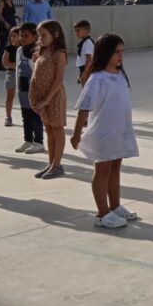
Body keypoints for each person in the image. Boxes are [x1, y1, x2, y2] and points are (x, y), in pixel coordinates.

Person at [71, 34, 140, 229]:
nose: (120, 56)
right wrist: (76, 133)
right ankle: (102, 213)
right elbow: (85, 107)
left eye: (122, 52)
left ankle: (115, 206)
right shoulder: (97, 79)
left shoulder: (120, 75)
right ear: (105, 53)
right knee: (102, 170)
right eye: (116, 52)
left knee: (115, 167)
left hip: (119, 131)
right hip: (103, 133)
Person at [30, 20, 69, 180]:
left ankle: (57, 165)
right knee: (49, 129)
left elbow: (58, 80)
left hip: (53, 98)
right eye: (39, 35)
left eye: (44, 35)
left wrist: (46, 100)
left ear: (56, 34)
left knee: (57, 129)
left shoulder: (59, 54)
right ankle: (51, 163)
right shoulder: (41, 52)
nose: (40, 38)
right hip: (42, 98)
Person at [14, 23, 45, 155]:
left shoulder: (39, 51)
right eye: (21, 35)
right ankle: (28, 140)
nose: (22, 38)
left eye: (26, 35)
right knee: (25, 115)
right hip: (22, 88)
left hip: (35, 89)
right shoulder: (19, 51)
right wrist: (18, 88)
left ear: (35, 36)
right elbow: (17, 69)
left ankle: (38, 142)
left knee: (35, 115)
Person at [0, 27, 20, 127]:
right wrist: (16, 65)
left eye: (15, 36)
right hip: (12, 74)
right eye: (11, 36)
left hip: (24, 75)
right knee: (10, 96)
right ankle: (8, 117)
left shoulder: (26, 48)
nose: (12, 38)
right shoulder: (9, 48)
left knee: (28, 96)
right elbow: (4, 63)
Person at [0, 0, 16, 72]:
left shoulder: (11, 2)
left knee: (12, 44)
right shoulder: (2, 2)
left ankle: (10, 62)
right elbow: (0, 15)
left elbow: (10, 13)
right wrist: (5, 23)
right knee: (3, 44)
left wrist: (16, 17)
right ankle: (1, 65)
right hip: (4, 26)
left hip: (13, 25)